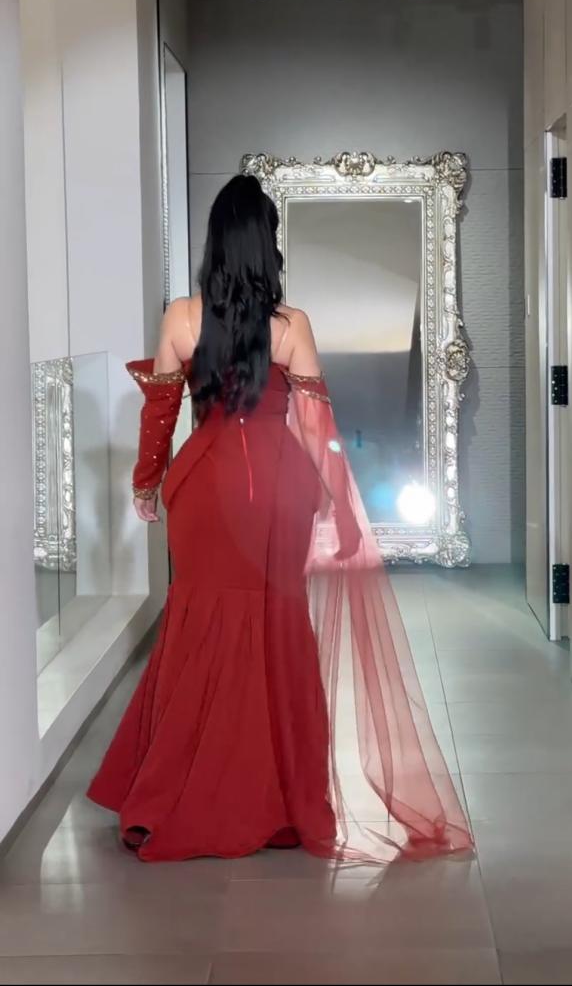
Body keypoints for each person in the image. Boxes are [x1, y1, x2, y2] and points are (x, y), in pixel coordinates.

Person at [87, 175, 472, 863]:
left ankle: (181, 788)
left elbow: (160, 417)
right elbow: (319, 428)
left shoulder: (181, 318)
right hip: (277, 490)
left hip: (205, 486)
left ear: (215, 242)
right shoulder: (292, 325)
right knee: (275, 626)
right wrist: (341, 504)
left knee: (199, 622)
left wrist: (147, 484)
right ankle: (276, 800)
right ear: (267, 244)